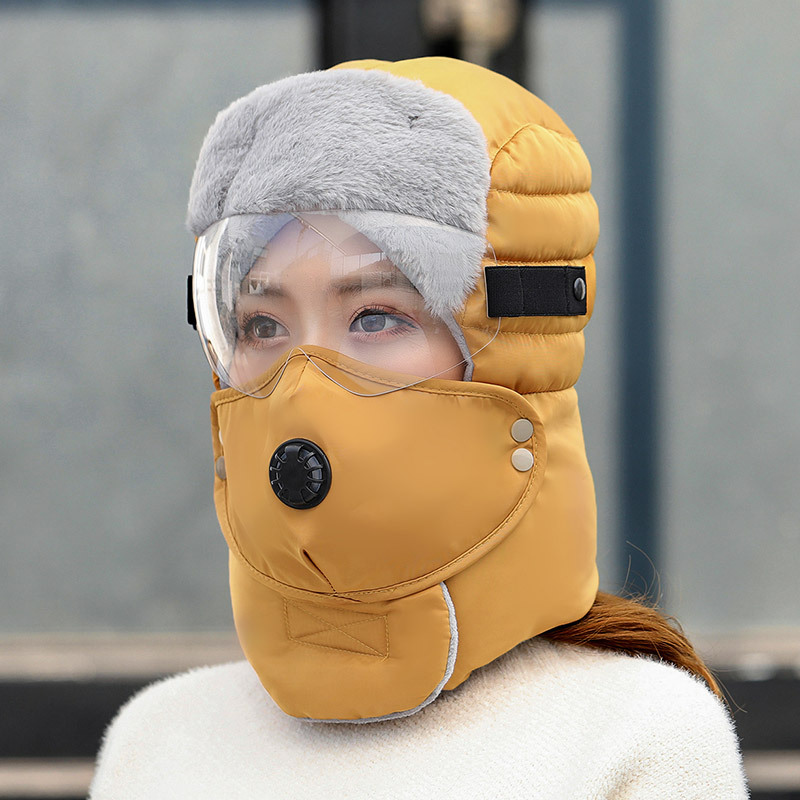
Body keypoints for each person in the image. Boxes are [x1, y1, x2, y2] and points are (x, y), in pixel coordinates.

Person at [89, 57, 749, 798]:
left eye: (376, 318)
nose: (304, 387)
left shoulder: (633, 741)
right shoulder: (160, 740)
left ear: (514, 347)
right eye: (262, 325)